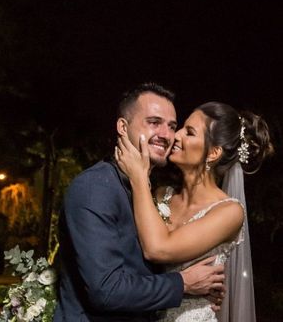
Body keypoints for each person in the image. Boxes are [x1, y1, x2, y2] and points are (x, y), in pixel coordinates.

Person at [53, 83, 226, 322]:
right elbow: (107, 291)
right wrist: (184, 284)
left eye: (172, 126)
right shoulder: (95, 187)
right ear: (123, 127)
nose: (167, 135)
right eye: (154, 122)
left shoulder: (146, 190)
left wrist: (196, 301)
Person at [115, 101, 273, 322]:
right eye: (181, 127)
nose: (176, 136)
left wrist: (138, 177)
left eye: (189, 132)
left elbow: (157, 249)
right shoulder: (161, 195)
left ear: (213, 152)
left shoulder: (230, 212)